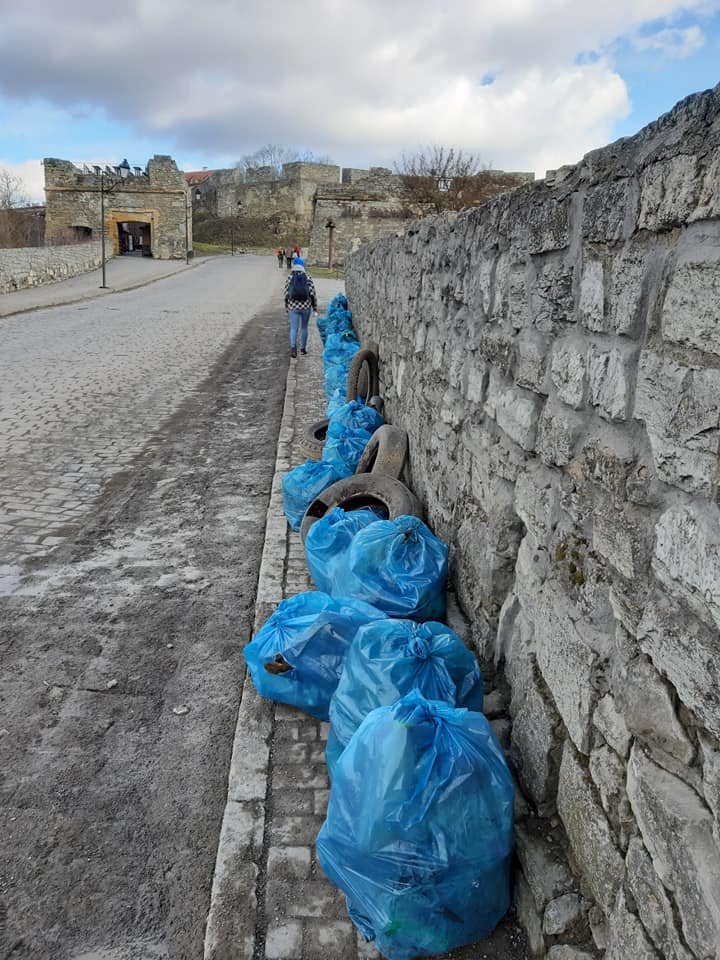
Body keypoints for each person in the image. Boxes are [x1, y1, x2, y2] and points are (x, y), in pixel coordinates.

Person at [284, 257, 317, 358]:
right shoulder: (308, 277)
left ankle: (293, 348)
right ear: (303, 265)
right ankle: (303, 349)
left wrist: (286, 306)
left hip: (293, 306)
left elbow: (286, 293)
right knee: (304, 327)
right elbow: (312, 293)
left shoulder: (290, 277)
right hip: (306, 306)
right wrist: (314, 306)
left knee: (293, 328)